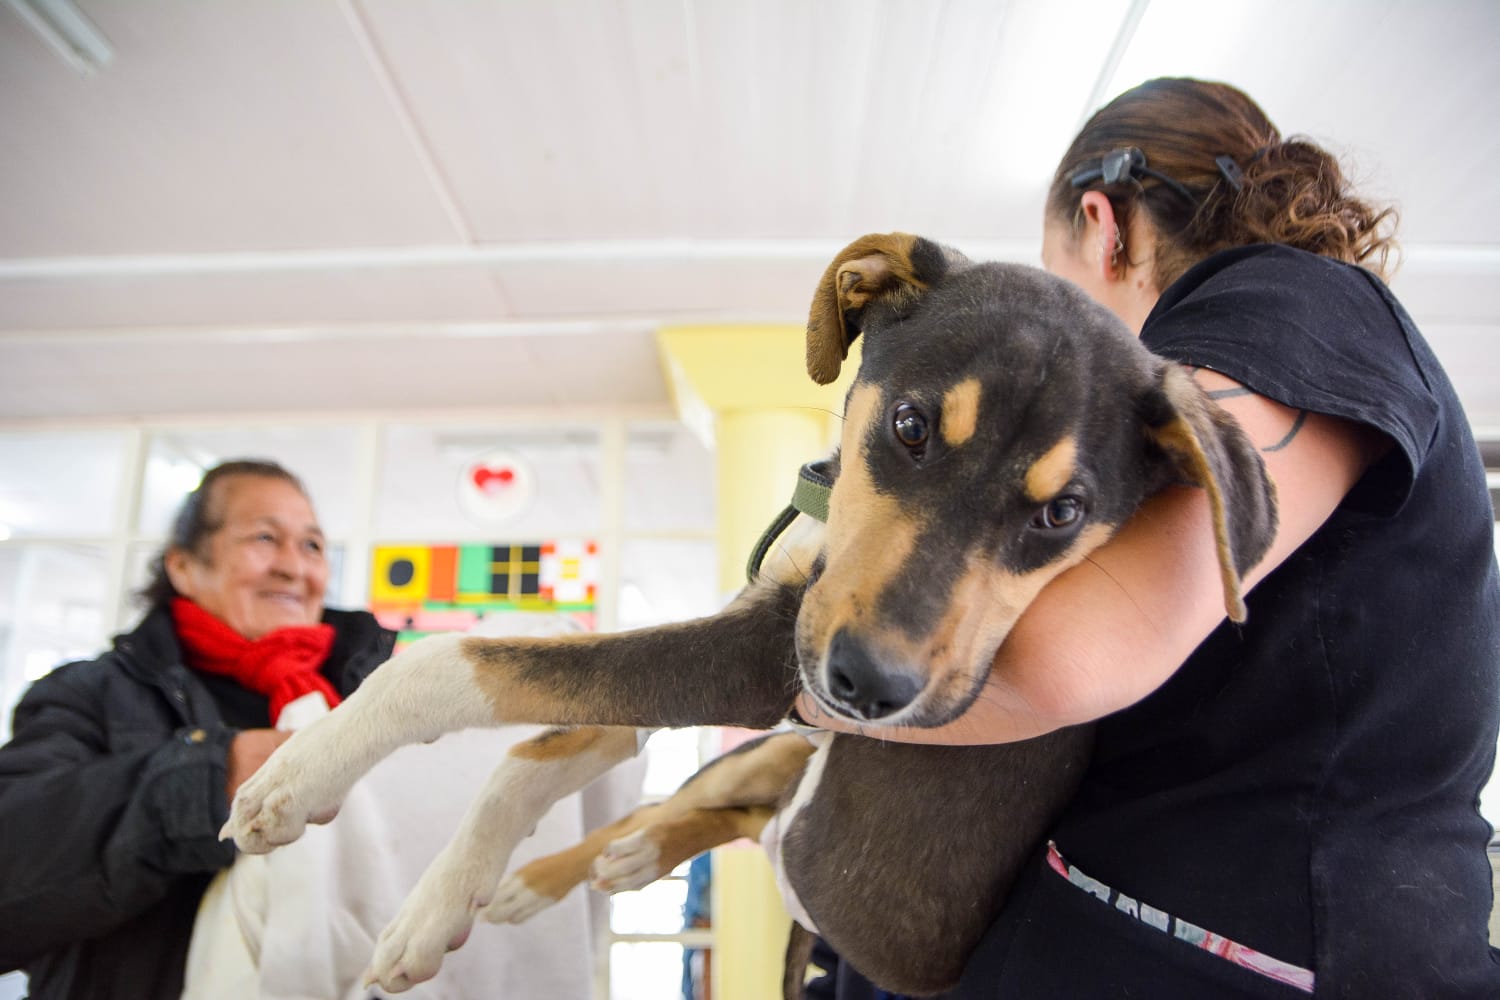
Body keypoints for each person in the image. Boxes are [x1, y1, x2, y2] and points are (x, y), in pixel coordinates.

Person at [796, 78, 1500, 997]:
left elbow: (1068, 657)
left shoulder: (1287, 302)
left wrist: (805, 675)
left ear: (1102, 223)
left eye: (1056, 270)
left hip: (1239, 949)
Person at [0, 460, 396, 999]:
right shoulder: (90, 695)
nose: (293, 567)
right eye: (265, 538)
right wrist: (211, 779)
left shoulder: (373, 695)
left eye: (312, 546)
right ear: (185, 566)